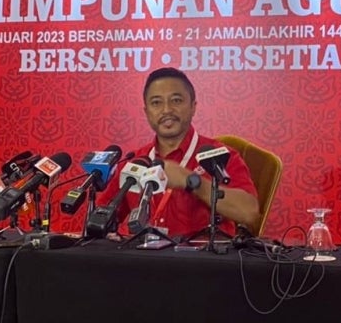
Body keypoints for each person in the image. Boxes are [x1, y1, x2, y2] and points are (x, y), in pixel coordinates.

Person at [95, 67, 259, 240]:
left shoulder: (220, 156)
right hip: (143, 262)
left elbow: (249, 213)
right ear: (146, 112)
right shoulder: (136, 162)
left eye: (176, 100)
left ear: (193, 107)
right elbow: (100, 219)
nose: (166, 110)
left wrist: (190, 181)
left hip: (202, 263)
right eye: (156, 102)